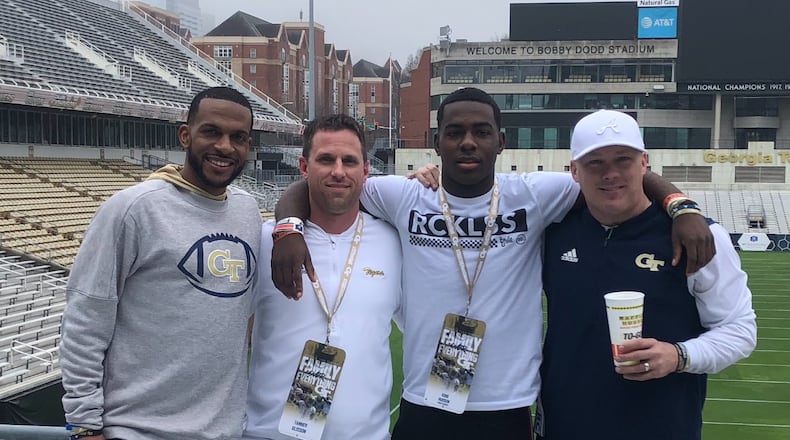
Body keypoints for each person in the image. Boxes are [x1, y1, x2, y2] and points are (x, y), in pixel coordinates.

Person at [272, 87, 714, 439]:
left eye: (481, 131)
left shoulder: (535, 194)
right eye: (455, 132)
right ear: (437, 142)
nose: (468, 141)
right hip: (424, 400)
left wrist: (681, 206)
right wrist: (288, 228)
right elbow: (319, 183)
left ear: (500, 142)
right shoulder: (402, 195)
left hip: (508, 404)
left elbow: (617, 173)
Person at [536, 110, 757, 440]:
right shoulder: (552, 232)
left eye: (623, 159)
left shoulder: (699, 237)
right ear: (575, 171)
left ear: (644, 163)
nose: (610, 173)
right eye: (595, 162)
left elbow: (739, 330)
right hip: (563, 425)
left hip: (661, 426)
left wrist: (678, 356)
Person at [60, 86, 262, 440]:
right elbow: (85, 319)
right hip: (137, 430)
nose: (225, 147)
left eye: (238, 137)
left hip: (224, 431)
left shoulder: (248, 211)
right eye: (211, 132)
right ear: (185, 135)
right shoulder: (133, 209)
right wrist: (84, 424)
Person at [243, 114, 402, 440]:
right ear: (304, 167)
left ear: (366, 170)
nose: (338, 171)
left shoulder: (395, 243)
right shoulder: (263, 241)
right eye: (326, 159)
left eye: (349, 161)